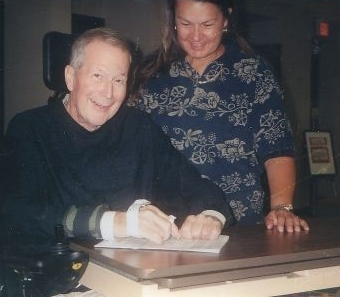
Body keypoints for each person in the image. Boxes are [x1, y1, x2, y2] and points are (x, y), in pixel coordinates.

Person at [2, 27, 234, 256]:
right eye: (98, 76)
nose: (108, 93)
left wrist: (211, 216)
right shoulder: (30, 128)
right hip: (56, 276)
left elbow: (192, 184)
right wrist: (117, 222)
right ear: (71, 78)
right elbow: (17, 213)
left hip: (132, 273)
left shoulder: (138, 127)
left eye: (119, 80)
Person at [129, 0, 309, 232]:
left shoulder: (253, 72)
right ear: (173, 20)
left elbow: (277, 148)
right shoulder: (150, 74)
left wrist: (282, 208)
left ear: (225, 20)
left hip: (236, 221)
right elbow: (131, 148)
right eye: (185, 23)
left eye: (207, 24)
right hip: (165, 224)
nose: (196, 36)